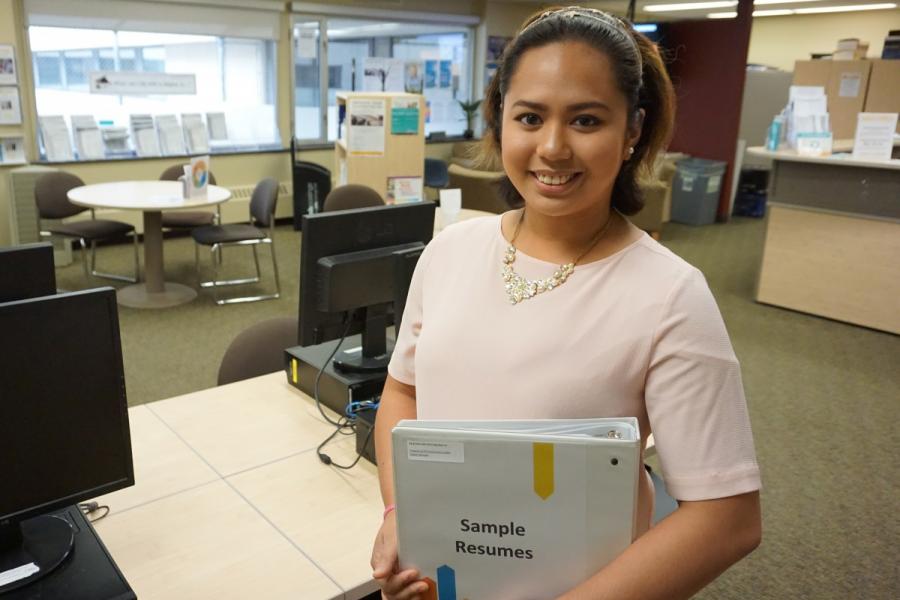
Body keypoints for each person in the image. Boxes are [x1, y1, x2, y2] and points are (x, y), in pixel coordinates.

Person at [370, 6, 762, 599]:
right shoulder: (451, 250)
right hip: (445, 580)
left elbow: (727, 518)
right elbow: (403, 391)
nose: (552, 148)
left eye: (585, 120)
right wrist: (402, 515)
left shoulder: (669, 295)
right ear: (501, 121)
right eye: (529, 117)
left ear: (632, 132)